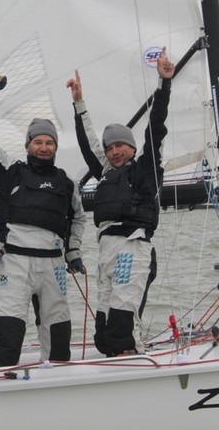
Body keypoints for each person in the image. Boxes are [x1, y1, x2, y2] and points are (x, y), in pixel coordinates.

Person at [0, 72, 87, 368]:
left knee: (58, 329)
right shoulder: (11, 171)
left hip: (53, 264)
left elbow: (77, 219)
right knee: (10, 329)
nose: (44, 147)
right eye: (38, 141)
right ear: (28, 145)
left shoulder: (67, 182)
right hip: (15, 261)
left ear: (56, 148)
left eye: (50, 142)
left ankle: (57, 380)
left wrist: (73, 252)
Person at [66, 47, 175, 356]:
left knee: (122, 321)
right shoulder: (104, 171)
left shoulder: (145, 168)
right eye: (110, 147)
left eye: (121, 146)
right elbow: (88, 142)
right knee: (103, 334)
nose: (114, 152)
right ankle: (116, 356)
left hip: (133, 247)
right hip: (105, 249)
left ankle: (131, 354)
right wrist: (78, 103)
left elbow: (156, 128)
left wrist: (163, 85)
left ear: (131, 148)